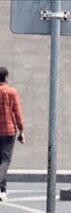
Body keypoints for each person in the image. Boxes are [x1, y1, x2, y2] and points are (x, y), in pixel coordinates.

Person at [0, 66, 24, 202]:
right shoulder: (12, 92)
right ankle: (1, 188)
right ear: (6, 78)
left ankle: (3, 191)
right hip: (9, 131)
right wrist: (21, 130)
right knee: (5, 160)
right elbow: (17, 113)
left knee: (1, 160)